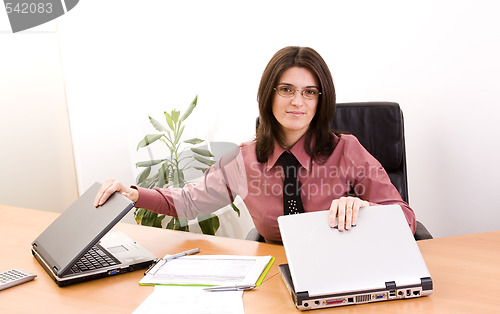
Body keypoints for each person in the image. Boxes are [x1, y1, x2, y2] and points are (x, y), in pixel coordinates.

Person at [94, 46, 415, 244]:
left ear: (321, 100)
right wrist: (133, 195)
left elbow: (406, 218)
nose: (297, 102)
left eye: (309, 92)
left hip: (344, 268)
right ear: (268, 94)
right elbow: (188, 202)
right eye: (286, 89)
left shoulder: (347, 151)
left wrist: (368, 210)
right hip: (278, 273)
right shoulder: (244, 161)